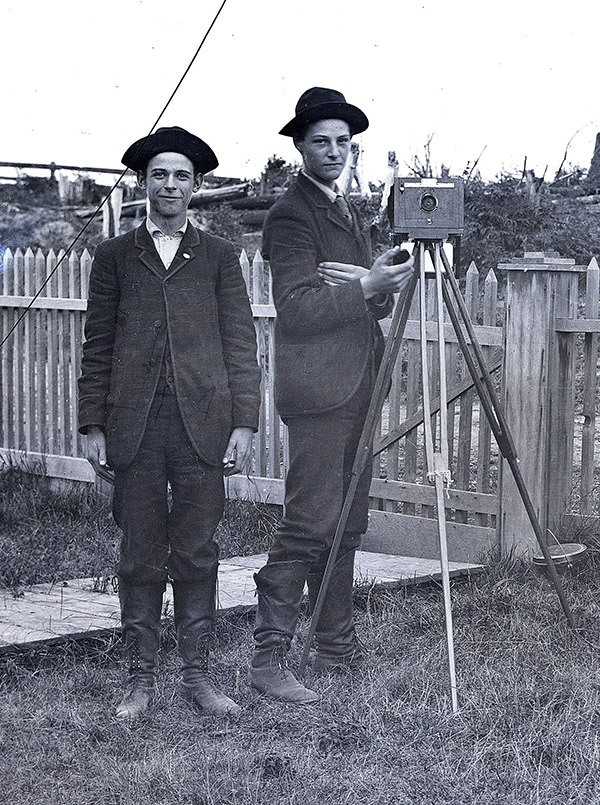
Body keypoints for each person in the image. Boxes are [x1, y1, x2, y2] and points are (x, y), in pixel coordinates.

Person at [78, 126, 261, 720]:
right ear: (143, 182)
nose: (171, 185)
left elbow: (240, 343)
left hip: (201, 425)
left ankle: (198, 677)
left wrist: (244, 423)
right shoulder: (114, 256)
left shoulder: (218, 256)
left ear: (196, 185)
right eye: (160, 174)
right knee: (139, 550)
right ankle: (140, 679)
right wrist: (93, 424)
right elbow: (97, 344)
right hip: (133, 426)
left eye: (182, 175)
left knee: (198, 548)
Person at [249, 87, 415, 703]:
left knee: (346, 522)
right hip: (319, 393)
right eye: (321, 141)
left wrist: (374, 286)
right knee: (309, 522)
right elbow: (296, 310)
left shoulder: (343, 208)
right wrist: (366, 285)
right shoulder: (291, 214)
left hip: (358, 385)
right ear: (299, 146)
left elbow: (363, 303)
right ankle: (268, 659)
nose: (334, 152)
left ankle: (335, 646)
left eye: (344, 142)